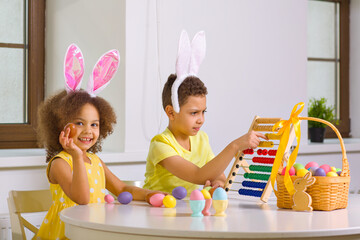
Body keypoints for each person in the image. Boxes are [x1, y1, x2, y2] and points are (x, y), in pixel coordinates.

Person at [34, 44, 157, 240]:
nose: (88, 131)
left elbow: (122, 189)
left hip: (93, 230)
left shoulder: (95, 162)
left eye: (94, 124)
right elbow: (82, 199)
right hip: (68, 233)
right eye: (79, 123)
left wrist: (149, 195)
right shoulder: (59, 163)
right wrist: (75, 154)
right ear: (60, 125)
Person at [143, 31, 267, 194]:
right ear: (171, 112)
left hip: (188, 213)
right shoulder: (160, 145)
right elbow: (197, 175)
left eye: (203, 112)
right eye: (194, 113)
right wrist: (235, 146)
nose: (201, 120)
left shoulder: (201, 139)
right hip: (157, 214)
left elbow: (217, 175)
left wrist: (218, 182)